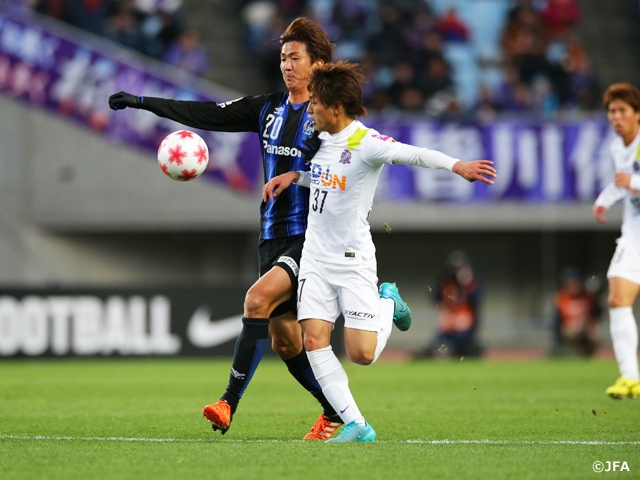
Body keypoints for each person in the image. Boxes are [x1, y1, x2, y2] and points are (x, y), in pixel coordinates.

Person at [108, 18, 408, 441]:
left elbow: (361, 157)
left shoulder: (330, 118)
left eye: (295, 57)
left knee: (257, 299)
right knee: (286, 343)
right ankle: (333, 411)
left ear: (317, 63)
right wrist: (143, 102)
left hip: (311, 238)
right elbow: (207, 113)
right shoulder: (268, 109)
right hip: (271, 237)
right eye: (283, 57)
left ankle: (227, 402)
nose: (286, 65)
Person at [263, 61, 496, 442]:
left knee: (362, 354)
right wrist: (295, 176)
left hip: (352, 261)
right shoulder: (319, 139)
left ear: (336, 107)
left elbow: (413, 154)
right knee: (314, 340)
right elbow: (324, 179)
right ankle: (357, 424)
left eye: (316, 103)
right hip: (315, 259)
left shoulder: (365, 142)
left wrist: (458, 166)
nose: (311, 109)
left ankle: (388, 302)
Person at [593, 82, 640, 399]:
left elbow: (630, 180)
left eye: (622, 110)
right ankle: (630, 378)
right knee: (617, 298)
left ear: (637, 114)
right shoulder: (617, 147)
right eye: (612, 111)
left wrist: (633, 181)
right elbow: (623, 182)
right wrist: (604, 200)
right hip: (634, 235)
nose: (616, 117)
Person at [418, 250, 483, 359]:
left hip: (465, 330)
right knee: (440, 350)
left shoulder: (471, 285)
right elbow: (435, 297)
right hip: (447, 328)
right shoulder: (446, 284)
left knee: (471, 353)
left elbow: (477, 298)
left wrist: (466, 283)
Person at [551, 267, 601, 357]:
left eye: (575, 284)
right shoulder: (561, 298)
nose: (573, 287)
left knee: (596, 335)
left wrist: (590, 326)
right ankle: (566, 352)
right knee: (571, 331)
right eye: (570, 284)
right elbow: (556, 322)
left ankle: (591, 353)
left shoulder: (588, 297)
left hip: (586, 330)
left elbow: (596, 314)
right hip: (569, 331)